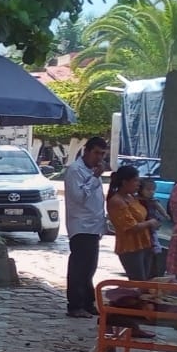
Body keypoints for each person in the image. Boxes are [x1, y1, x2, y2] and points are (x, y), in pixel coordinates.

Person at [64, 135, 109, 317]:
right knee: (79, 267)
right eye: (96, 153)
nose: (99, 158)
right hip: (81, 226)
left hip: (94, 226)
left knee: (90, 268)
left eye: (102, 154)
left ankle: (88, 302)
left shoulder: (92, 171)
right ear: (87, 151)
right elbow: (79, 197)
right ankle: (75, 305)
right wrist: (94, 178)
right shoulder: (76, 170)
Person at [106, 165, 159, 281]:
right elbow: (131, 227)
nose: (138, 184)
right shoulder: (117, 201)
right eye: (135, 180)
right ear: (125, 182)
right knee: (138, 282)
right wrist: (150, 223)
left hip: (145, 243)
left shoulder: (132, 197)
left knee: (146, 282)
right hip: (130, 247)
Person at [138, 176, 167, 278]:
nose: (151, 192)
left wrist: (165, 215)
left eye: (153, 190)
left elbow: (160, 209)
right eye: (148, 189)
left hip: (151, 223)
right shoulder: (136, 201)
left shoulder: (153, 201)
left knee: (152, 237)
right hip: (142, 224)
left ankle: (154, 248)